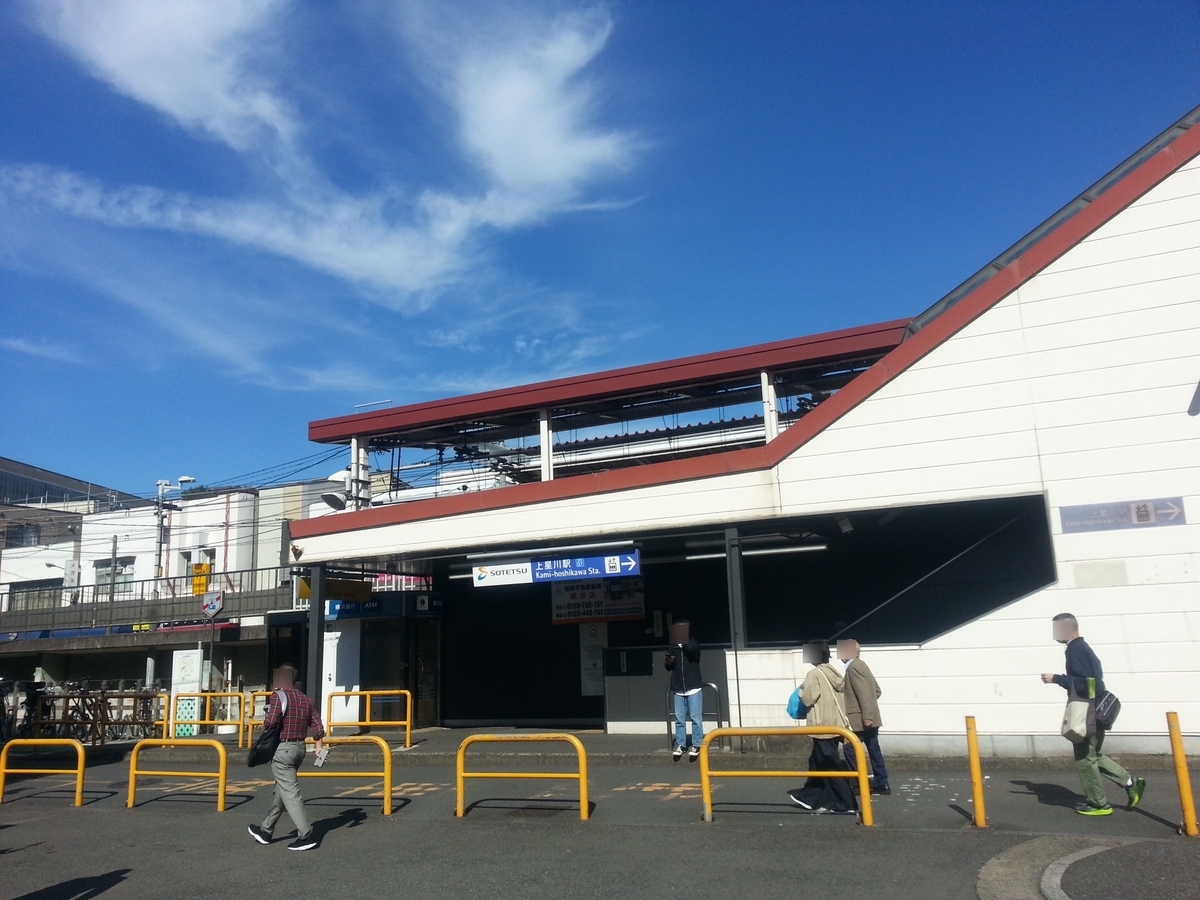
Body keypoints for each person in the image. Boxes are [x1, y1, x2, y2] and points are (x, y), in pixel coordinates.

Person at [1040, 613, 1145, 816]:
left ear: (1068, 628)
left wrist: (1056, 679)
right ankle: (1130, 782)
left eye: (1057, 629)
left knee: (1084, 759)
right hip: (1097, 711)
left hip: (1087, 714)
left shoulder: (1075, 649)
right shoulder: (1082, 647)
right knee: (1094, 755)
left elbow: (1088, 683)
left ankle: (1099, 804)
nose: (1055, 635)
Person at [248, 665, 326, 850]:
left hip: (283, 749)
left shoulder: (279, 696)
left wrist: (264, 723)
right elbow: (317, 724)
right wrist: (319, 747)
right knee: (283, 789)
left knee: (290, 792)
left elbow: (272, 720)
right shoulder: (306, 699)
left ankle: (306, 834)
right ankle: (266, 830)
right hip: (300, 748)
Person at [788, 641, 856, 814]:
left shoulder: (814, 674)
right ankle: (809, 797)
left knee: (829, 765)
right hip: (835, 726)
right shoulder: (833, 672)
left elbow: (808, 697)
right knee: (817, 762)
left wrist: (801, 690)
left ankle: (845, 803)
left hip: (821, 726)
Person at [839, 640, 890, 795]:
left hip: (860, 719)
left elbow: (863, 693)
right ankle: (881, 783)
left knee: (849, 748)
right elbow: (876, 691)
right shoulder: (862, 665)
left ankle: (859, 782)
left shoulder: (853, 668)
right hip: (869, 716)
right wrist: (871, 710)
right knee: (874, 749)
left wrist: (866, 715)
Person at [665, 621, 703, 761]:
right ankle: (681, 745)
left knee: (695, 719)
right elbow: (667, 665)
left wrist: (683, 644)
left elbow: (693, 653)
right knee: (679, 720)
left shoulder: (693, 643)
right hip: (678, 688)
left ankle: (697, 744)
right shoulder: (672, 647)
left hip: (693, 687)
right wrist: (670, 660)